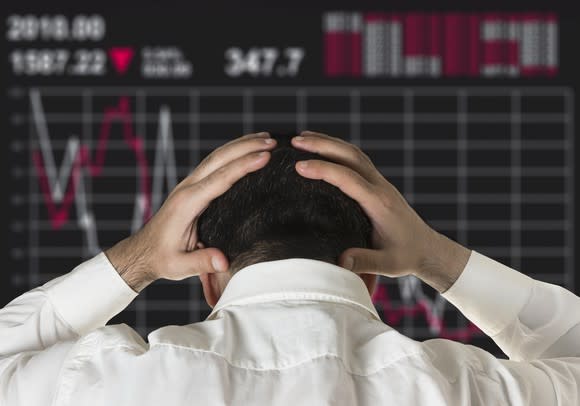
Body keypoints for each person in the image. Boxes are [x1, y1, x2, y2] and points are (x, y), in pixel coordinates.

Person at [0, 131, 578, 405]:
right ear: (370, 273)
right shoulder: (470, 391)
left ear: (208, 275)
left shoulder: (105, 386)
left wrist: (137, 261)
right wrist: (435, 257)